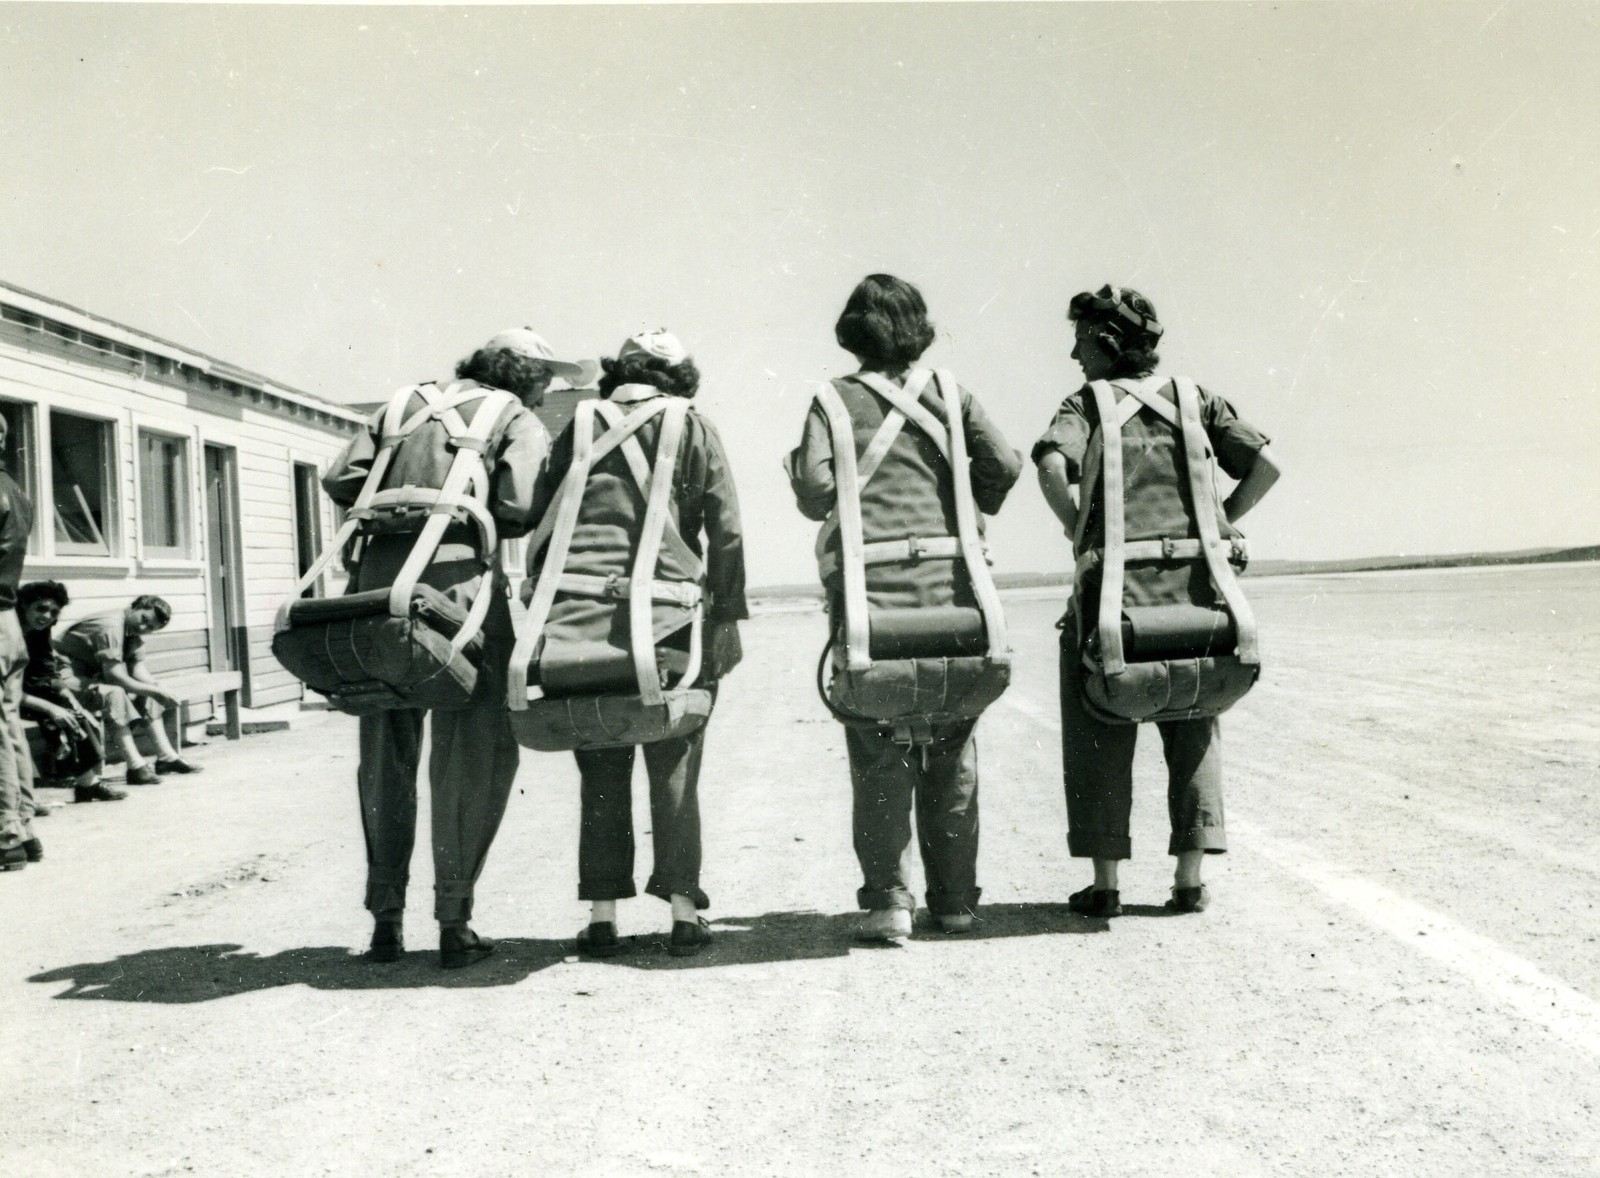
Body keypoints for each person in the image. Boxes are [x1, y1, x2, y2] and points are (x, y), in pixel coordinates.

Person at [322, 328, 578, 968]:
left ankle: (386, 920)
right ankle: (454, 921)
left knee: (384, 756)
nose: (546, 390)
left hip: (375, 593)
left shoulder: (401, 404)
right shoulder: (513, 416)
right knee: (472, 753)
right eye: (544, 379)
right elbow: (520, 505)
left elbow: (340, 477)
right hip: (456, 591)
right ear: (523, 375)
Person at [787, 274, 1022, 940]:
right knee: (954, 749)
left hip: (871, 606)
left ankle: (890, 904)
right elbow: (1002, 466)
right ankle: (954, 902)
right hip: (957, 598)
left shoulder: (831, 402)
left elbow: (811, 490)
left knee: (877, 751)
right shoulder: (953, 394)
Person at [1033, 284, 1281, 915]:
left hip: (1114, 604)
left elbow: (1049, 467)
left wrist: (1077, 529)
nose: (1074, 354)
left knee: (1097, 731)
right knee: (1194, 724)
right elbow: (1265, 468)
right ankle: (1190, 881)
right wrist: (1219, 525)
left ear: (1108, 344)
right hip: (1197, 601)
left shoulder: (1084, 403)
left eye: (1082, 340)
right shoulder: (1197, 400)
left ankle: (1107, 886)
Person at [529, 330, 747, 959]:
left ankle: (602, 919)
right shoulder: (693, 427)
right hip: (667, 625)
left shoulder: (578, 423)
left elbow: (545, 519)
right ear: (679, 379)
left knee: (600, 756)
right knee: (674, 763)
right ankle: (683, 914)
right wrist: (727, 615)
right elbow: (725, 528)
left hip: (577, 621)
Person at [54, 595, 199, 786]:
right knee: (115, 693)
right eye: (144, 620)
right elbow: (115, 676)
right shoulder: (112, 625)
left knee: (150, 690)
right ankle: (135, 766)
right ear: (135, 607)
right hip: (60, 677)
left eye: (150, 628)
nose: (143, 628)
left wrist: (158, 688)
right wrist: (155, 691)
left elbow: (138, 670)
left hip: (87, 677)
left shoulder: (131, 630)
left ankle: (166, 757)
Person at [17, 580, 121, 804]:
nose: (46, 616)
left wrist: (71, 699)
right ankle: (25, 801)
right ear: (24, 605)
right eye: (41, 608)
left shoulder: (39, 631)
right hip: (7, 697)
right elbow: (5, 690)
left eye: (53, 612)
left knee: (73, 713)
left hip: (24, 693)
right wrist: (50, 708)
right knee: (56, 715)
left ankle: (87, 785)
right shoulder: (7, 632)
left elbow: (48, 671)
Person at [0, 413, 39, 873]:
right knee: (8, 725)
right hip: (8, 617)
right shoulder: (16, 489)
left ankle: (6, 834)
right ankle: (24, 828)